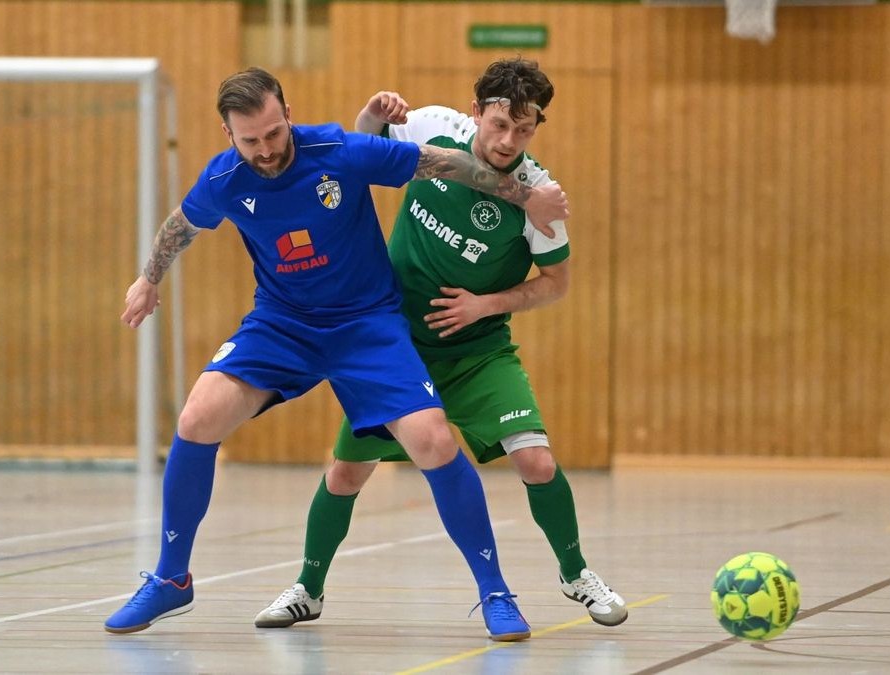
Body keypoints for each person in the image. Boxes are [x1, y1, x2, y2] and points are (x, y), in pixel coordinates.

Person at [103, 66, 569, 642]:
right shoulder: (224, 178)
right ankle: (173, 579)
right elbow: (182, 223)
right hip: (281, 325)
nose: (267, 149)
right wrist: (148, 279)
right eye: (251, 140)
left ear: (288, 115)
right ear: (229, 136)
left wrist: (527, 196)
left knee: (433, 440)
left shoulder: (337, 151)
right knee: (197, 418)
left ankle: (495, 590)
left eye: (275, 133)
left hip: (366, 325)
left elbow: (443, 164)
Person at [255, 58, 629, 632]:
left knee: (536, 460)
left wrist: (484, 305)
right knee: (346, 475)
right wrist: (372, 114)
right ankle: (308, 588)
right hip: (394, 346)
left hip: (478, 350)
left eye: (524, 130)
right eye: (499, 124)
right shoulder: (432, 128)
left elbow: (556, 285)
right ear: (475, 112)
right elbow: (360, 151)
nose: (509, 141)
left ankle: (576, 573)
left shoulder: (540, 198)